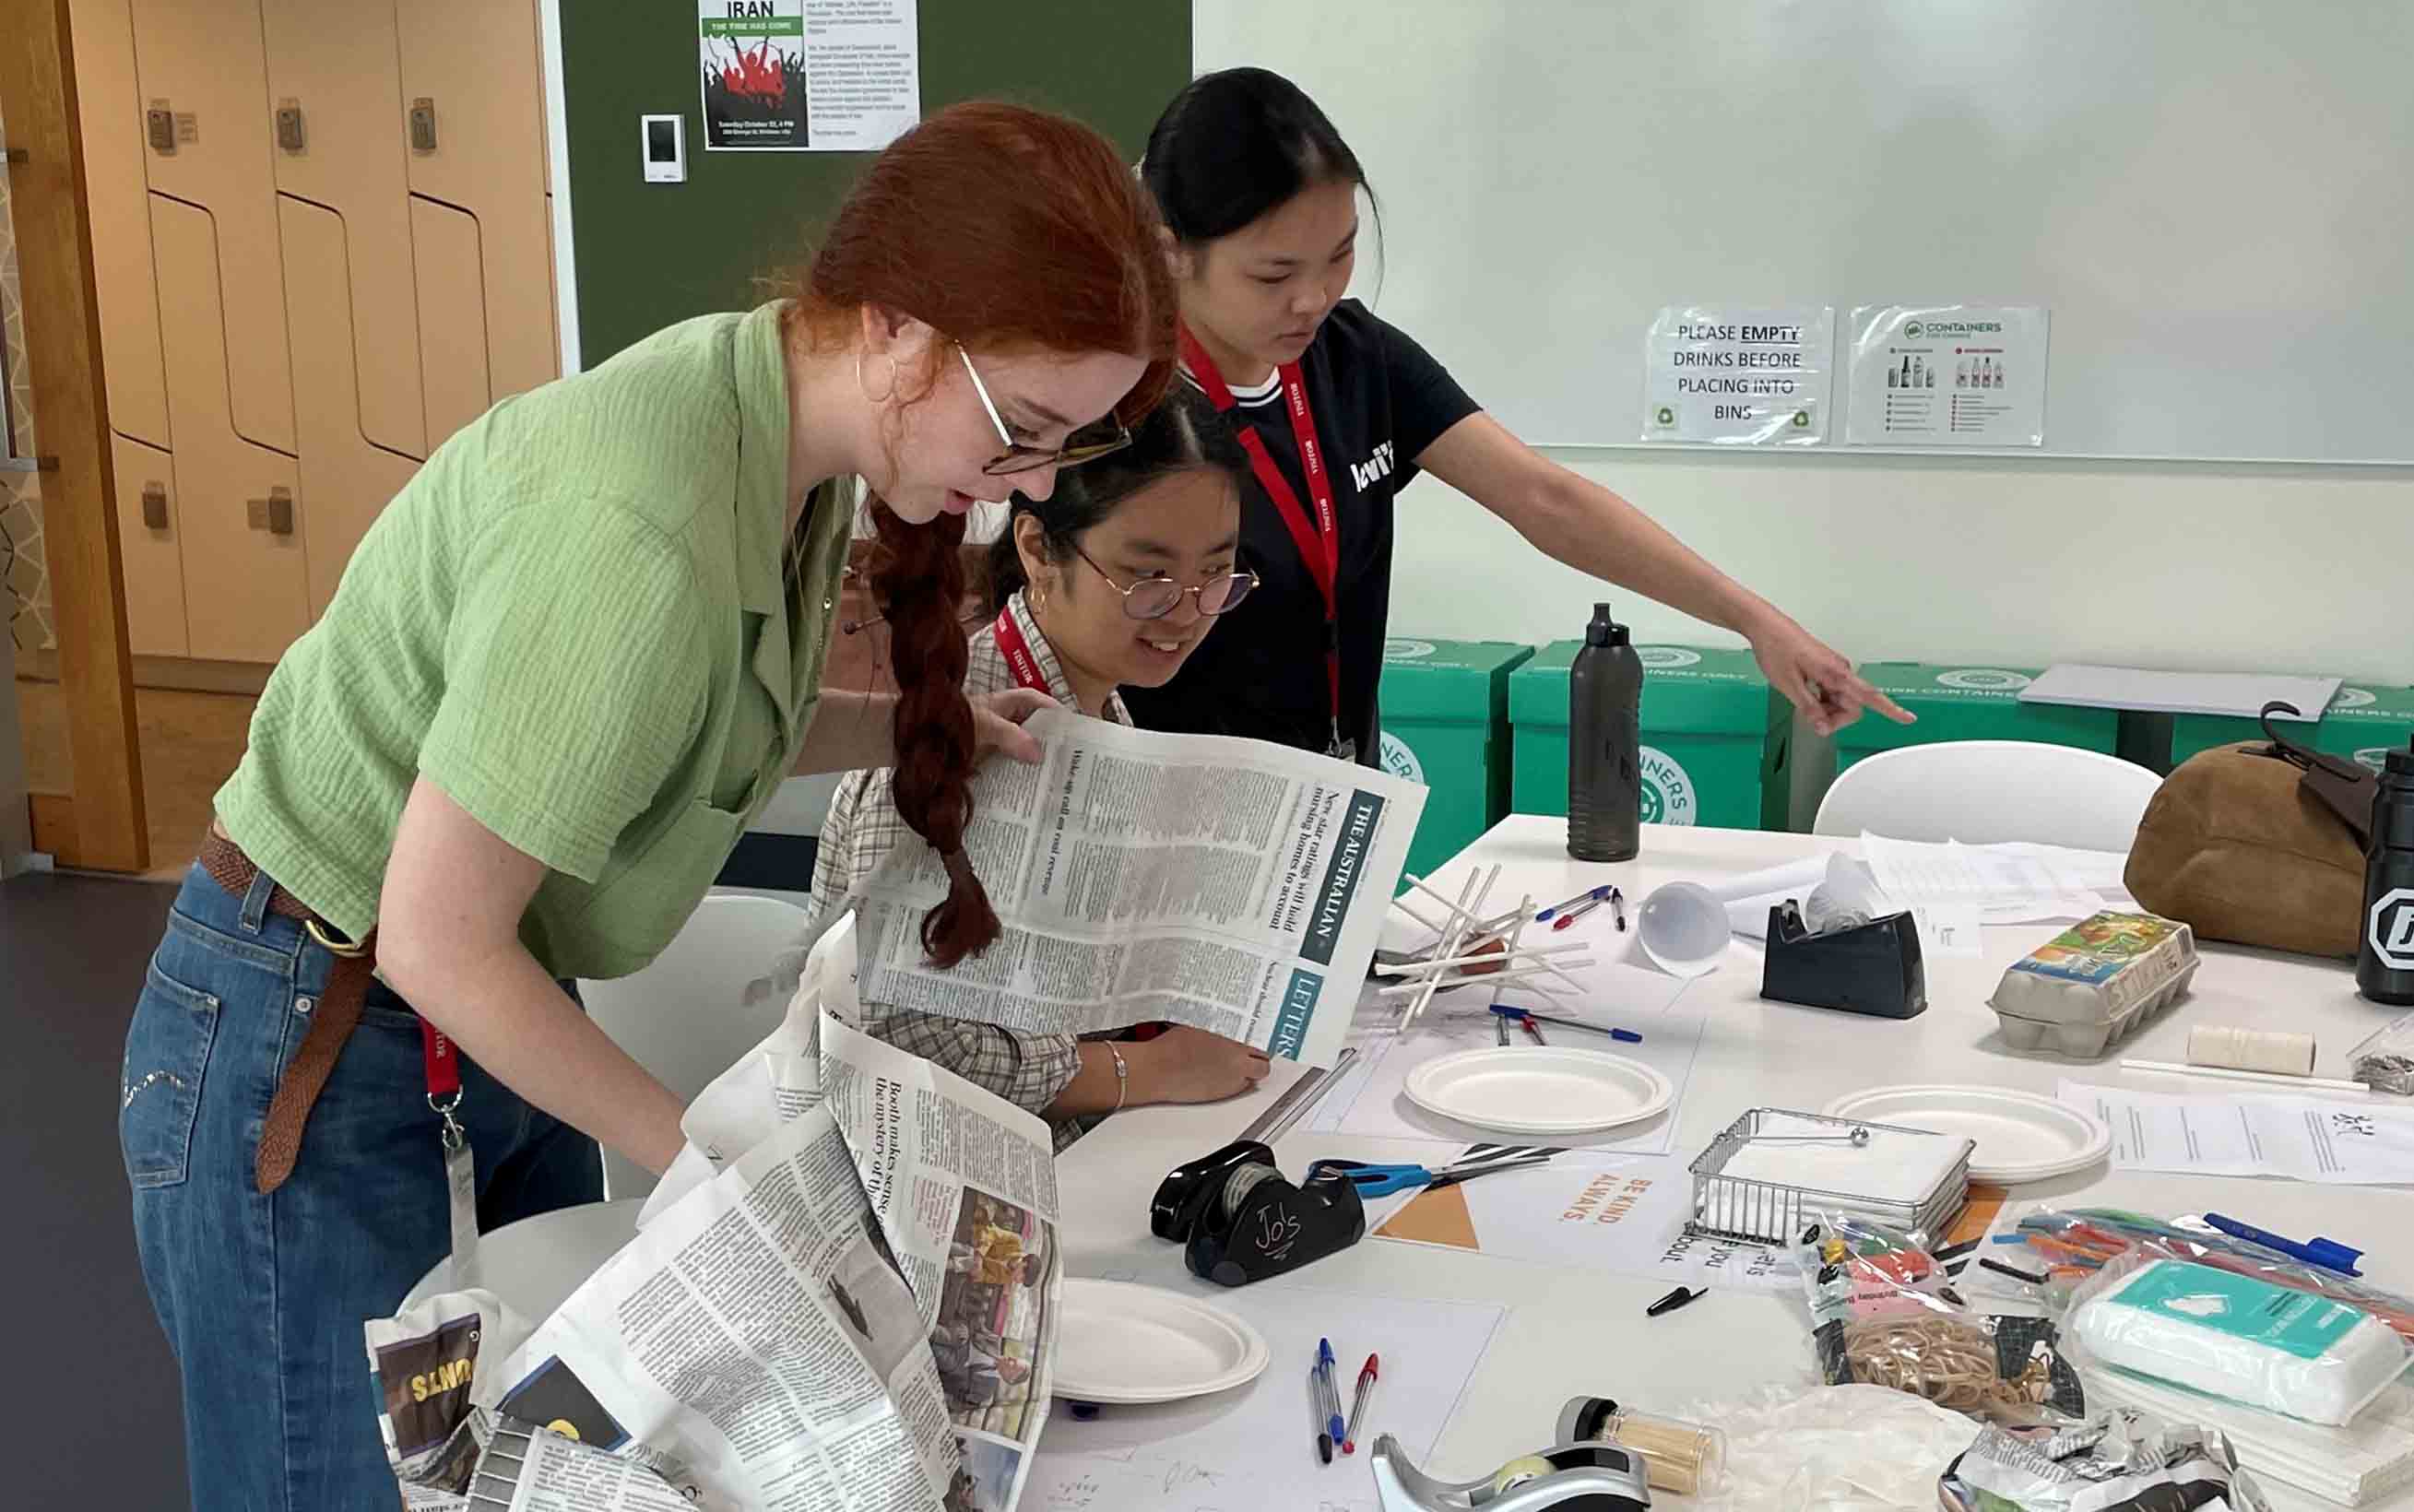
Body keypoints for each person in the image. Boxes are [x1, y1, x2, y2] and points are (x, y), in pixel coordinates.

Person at [115, 102, 1175, 1510]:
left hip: (463, 1002)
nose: (1034, 483)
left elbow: (684, 714)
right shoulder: (645, 520)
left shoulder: (774, 441)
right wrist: (703, 1156)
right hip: (315, 1015)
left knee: (546, 1456)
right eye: (1025, 432)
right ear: (899, 332)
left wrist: (935, 729)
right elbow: (437, 934)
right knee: (349, 1487)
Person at [1123, 67, 1911, 762]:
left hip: (1333, 813)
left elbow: (1546, 499)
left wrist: (1754, 621)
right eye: (1273, 275)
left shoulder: (1354, 360)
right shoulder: (1122, 403)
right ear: (1171, 253)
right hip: (1170, 822)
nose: (1314, 298)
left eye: (1340, 254)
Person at [808, 396, 1275, 1144]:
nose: (1188, 613)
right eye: (1146, 575)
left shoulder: (1097, 703)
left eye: (1217, 573)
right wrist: (1147, 1071)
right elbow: (887, 1028)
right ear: (1036, 549)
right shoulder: (975, 716)